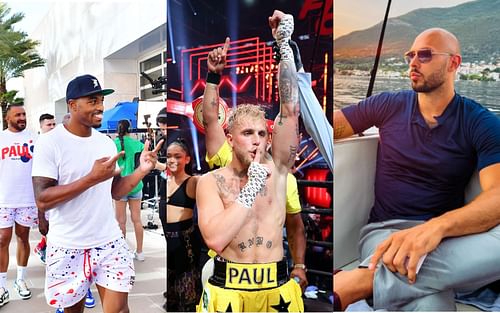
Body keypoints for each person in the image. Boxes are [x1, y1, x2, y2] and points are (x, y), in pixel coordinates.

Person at [333, 28, 500, 311]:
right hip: (384, 234)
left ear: (453, 63)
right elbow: (329, 127)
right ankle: (380, 279)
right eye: (411, 54)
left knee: (432, 299)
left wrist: (438, 226)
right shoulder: (388, 105)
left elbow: (497, 195)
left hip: (444, 241)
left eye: (425, 54)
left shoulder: (479, 122)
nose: (413, 61)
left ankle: (361, 282)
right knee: (434, 301)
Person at [195, 10, 303, 312]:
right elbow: (216, 239)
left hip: (276, 289)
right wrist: (213, 77)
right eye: (246, 133)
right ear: (231, 139)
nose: (256, 139)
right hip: (229, 290)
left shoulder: (279, 170)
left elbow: (290, 109)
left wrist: (284, 46)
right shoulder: (212, 181)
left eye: (261, 133)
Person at [31, 74, 162, 312]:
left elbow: (115, 190)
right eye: (92, 101)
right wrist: (90, 178)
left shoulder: (105, 143)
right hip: (68, 246)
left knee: (121, 309)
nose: (100, 107)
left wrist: (142, 170)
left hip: (109, 241)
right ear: (72, 105)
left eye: (101, 100)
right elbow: (42, 199)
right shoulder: (50, 143)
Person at [0, 103, 37, 306]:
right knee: (2, 240)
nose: (22, 117)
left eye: (24, 114)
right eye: (18, 115)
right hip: (4, 199)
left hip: (27, 199)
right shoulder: (1, 138)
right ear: (8, 118)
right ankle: (1, 285)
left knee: (23, 237)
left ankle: (20, 279)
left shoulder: (35, 138)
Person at [165, 138, 201, 312]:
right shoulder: (164, 181)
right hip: (167, 241)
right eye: (169, 156)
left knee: (186, 292)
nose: (172, 160)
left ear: (187, 159)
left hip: (185, 242)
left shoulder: (193, 182)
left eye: (177, 156)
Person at [114, 119, 146, 261]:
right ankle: (139, 252)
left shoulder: (113, 144)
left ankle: (121, 253)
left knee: (121, 221)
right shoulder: (139, 144)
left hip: (120, 186)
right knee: (137, 220)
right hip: (136, 184)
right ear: (130, 130)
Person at [34, 113, 56, 264]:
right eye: (49, 125)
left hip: (56, 193)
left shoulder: (57, 143)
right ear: (41, 126)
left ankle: (42, 247)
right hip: (42, 194)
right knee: (48, 227)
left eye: (54, 124)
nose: (52, 127)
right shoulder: (38, 144)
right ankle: (45, 250)